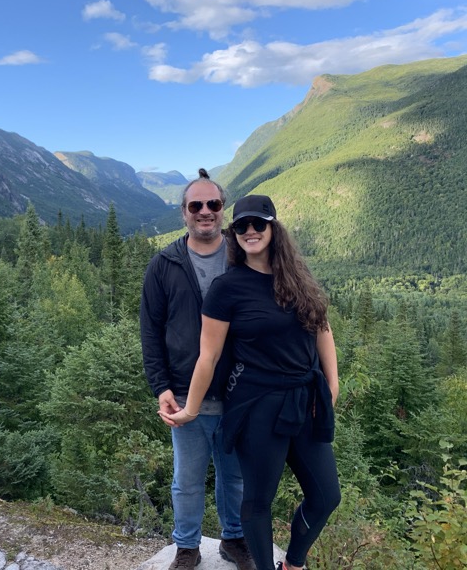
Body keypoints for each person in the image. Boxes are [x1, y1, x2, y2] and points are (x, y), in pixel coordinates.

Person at [162, 194, 341, 570]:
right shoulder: (228, 288)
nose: (249, 232)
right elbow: (207, 356)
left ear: (274, 228)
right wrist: (191, 409)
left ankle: (293, 562)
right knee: (258, 500)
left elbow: (322, 329)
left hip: (305, 398)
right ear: (234, 235)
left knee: (326, 496)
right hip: (257, 404)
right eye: (240, 226)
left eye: (258, 224)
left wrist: (331, 386)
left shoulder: (298, 277)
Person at [140, 169, 254, 570]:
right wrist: (160, 386)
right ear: (184, 213)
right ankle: (186, 548)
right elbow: (151, 332)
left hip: (240, 394)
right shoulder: (164, 264)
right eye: (196, 205)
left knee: (235, 478)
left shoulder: (244, 258)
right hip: (186, 394)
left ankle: (234, 540)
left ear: (223, 210)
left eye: (214, 204)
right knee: (186, 481)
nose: (205, 211)